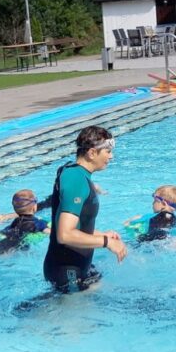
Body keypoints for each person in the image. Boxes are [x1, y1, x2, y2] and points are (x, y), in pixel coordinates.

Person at [42, 125, 126, 292]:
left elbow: (74, 225)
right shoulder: (76, 179)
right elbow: (65, 234)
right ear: (92, 153)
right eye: (107, 152)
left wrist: (101, 233)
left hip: (77, 266)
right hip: (67, 271)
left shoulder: (75, 174)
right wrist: (106, 242)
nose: (111, 156)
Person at [0, 189, 50, 263]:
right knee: (22, 248)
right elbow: (47, 231)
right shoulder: (37, 222)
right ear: (34, 207)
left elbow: (9, 229)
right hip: (20, 242)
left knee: (0, 246)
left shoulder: (16, 220)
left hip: (8, 235)